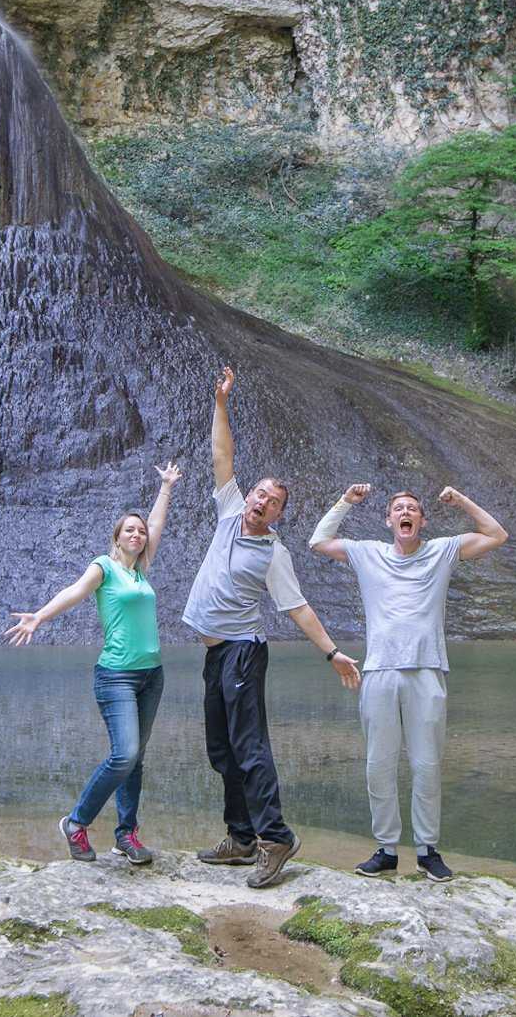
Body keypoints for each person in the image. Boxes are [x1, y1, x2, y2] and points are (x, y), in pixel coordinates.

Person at [182, 365, 361, 889]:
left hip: (242, 652)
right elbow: (221, 456)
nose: (261, 502)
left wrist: (332, 653)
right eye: (259, 493)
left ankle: (275, 837)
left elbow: (299, 608)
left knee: (251, 747)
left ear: (280, 514)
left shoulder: (273, 552)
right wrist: (220, 401)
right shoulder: (228, 510)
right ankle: (240, 837)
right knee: (222, 749)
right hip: (216, 654)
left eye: (273, 501)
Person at [309, 481, 507, 882]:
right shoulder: (368, 553)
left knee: (427, 765)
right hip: (380, 671)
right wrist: (346, 500)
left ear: (422, 520)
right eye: (398, 508)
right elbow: (318, 541)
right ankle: (385, 849)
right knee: (378, 765)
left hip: (428, 670)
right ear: (388, 520)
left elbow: (496, 534)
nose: (405, 513)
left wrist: (462, 499)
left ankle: (427, 850)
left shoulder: (443, 550)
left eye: (412, 509)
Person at [5, 459, 183, 866]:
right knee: (124, 754)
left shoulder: (142, 568)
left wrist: (167, 487)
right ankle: (76, 822)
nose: (138, 534)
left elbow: (157, 525)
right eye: (129, 530)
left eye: (140, 531)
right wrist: (39, 617)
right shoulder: (104, 568)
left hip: (151, 676)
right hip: (116, 676)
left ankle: (127, 835)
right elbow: (75, 591)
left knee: (136, 758)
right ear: (116, 538)